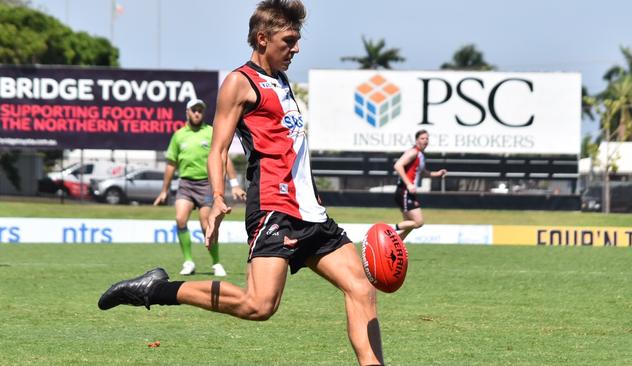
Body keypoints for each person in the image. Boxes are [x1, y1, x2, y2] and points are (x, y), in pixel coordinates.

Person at [98, 1, 384, 365]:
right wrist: (217, 197)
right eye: (289, 40)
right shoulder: (239, 82)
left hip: (312, 213)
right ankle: (156, 289)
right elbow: (217, 150)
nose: (296, 48)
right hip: (274, 210)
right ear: (262, 39)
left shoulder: (281, 80)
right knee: (258, 305)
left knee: (361, 288)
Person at [153, 98, 246, 276]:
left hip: (206, 184)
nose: (197, 113)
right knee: (180, 219)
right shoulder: (179, 135)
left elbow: (222, 156)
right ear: (187, 112)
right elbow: (171, 164)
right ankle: (188, 262)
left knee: (206, 224)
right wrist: (164, 190)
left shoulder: (211, 132)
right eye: (193, 110)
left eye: (200, 110)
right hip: (186, 184)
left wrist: (234, 184)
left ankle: (216, 262)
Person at [393, 129, 447, 241]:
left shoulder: (421, 155)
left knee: (409, 225)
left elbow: (422, 172)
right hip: (404, 191)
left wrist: (437, 173)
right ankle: (388, 230)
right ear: (417, 140)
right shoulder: (413, 152)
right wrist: (408, 184)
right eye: (422, 138)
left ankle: (393, 245)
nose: (425, 141)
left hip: (408, 192)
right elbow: (398, 165)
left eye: (427, 138)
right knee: (418, 222)